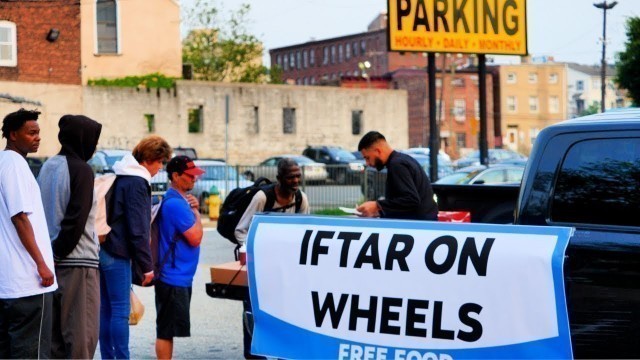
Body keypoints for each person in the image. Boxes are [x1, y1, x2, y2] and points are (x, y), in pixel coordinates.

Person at [99, 135, 172, 360]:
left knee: (106, 310)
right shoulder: (138, 182)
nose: (160, 168)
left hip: (103, 249)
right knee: (121, 312)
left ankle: (108, 357)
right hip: (118, 253)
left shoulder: (121, 174)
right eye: (160, 162)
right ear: (151, 158)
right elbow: (138, 229)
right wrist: (147, 265)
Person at [37, 115, 102, 358]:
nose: (94, 147)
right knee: (81, 338)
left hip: (50, 262)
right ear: (82, 139)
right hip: (77, 262)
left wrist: (50, 255)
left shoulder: (48, 166)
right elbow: (76, 218)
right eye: (93, 140)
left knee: (54, 340)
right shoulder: (81, 170)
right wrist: (59, 252)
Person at [234, 158, 310, 359]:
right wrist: (254, 250)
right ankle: (254, 354)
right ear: (279, 178)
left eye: (298, 176)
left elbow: (305, 231)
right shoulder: (262, 198)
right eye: (290, 177)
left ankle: (281, 352)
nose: (295, 181)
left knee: (284, 311)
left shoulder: (301, 199)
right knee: (254, 311)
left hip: (285, 268)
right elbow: (241, 230)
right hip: (259, 266)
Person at [0, 109, 57, 359]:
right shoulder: (14, 165)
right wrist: (42, 264)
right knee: (31, 353)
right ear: (13, 135)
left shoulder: (4, 163)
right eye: (31, 133)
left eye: (38, 133)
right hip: (28, 282)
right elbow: (20, 218)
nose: (37, 138)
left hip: (10, 283)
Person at [154, 156, 205, 360]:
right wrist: (197, 213)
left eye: (195, 175)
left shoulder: (177, 200)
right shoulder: (176, 204)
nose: (194, 180)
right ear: (175, 176)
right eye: (189, 175)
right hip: (173, 277)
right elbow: (196, 237)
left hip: (177, 276)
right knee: (166, 330)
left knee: (168, 328)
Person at [356, 131, 438, 220]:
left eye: (367, 158)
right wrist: (379, 212)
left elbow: (411, 200)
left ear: (378, 151)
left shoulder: (397, 165)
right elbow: (404, 203)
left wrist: (377, 205)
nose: (367, 163)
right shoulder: (402, 160)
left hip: (418, 226)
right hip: (423, 223)